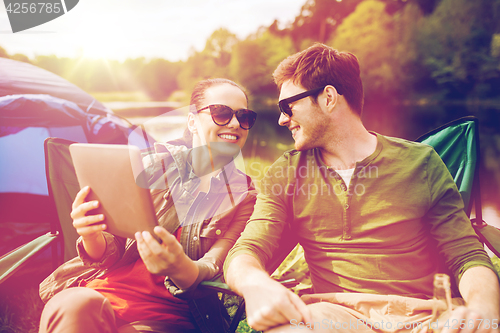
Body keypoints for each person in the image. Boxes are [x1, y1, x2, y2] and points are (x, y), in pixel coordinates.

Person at [223, 44, 500, 333]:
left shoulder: (422, 162)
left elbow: (466, 255)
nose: (282, 118)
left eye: (287, 106)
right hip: (335, 318)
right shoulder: (286, 172)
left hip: (427, 318)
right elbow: (246, 251)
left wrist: (483, 307)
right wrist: (255, 283)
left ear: (328, 97)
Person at [39, 78, 258, 333]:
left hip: (167, 315)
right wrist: (91, 234)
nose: (234, 123)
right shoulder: (153, 168)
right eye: (221, 112)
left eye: (244, 117)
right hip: (103, 293)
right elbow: (111, 249)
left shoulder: (244, 196)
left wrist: (178, 265)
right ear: (191, 121)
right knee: (76, 307)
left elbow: (212, 265)